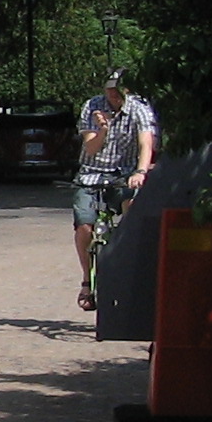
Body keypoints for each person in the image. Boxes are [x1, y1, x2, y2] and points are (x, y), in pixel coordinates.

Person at [73, 70, 158, 311]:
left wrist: (140, 172)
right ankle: (87, 281)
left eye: (117, 90)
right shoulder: (93, 106)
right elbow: (90, 148)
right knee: (84, 227)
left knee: (131, 208)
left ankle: (129, 263)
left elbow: (146, 143)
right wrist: (103, 130)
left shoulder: (139, 108)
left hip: (124, 174)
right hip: (91, 174)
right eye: (109, 89)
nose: (112, 95)